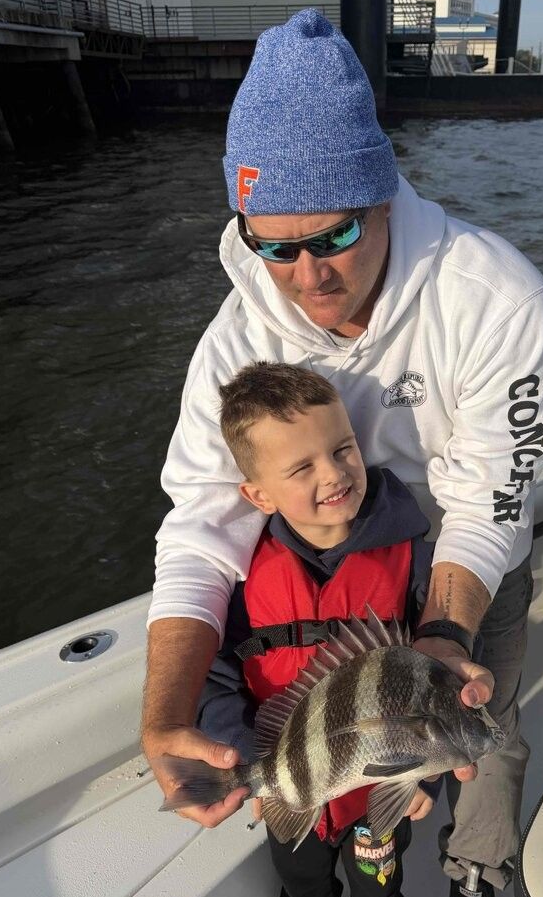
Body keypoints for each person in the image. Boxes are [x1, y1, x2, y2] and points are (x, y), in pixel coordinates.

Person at [141, 9, 543, 896]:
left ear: (384, 198)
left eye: (335, 235)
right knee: (339, 755)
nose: (308, 276)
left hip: (461, 550)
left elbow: (490, 497)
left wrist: (445, 633)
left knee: (485, 729)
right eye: (275, 246)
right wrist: (165, 715)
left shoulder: (497, 299)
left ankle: (481, 867)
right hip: (326, 573)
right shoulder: (232, 339)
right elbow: (200, 525)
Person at [199, 360, 440, 896]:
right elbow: (215, 680)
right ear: (259, 496)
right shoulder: (241, 577)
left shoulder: (416, 561)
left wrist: (423, 775)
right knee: (302, 885)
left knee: (378, 888)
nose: (333, 474)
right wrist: (247, 756)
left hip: (379, 793)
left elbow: (436, 688)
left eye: (342, 449)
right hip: (287, 784)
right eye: (300, 468)